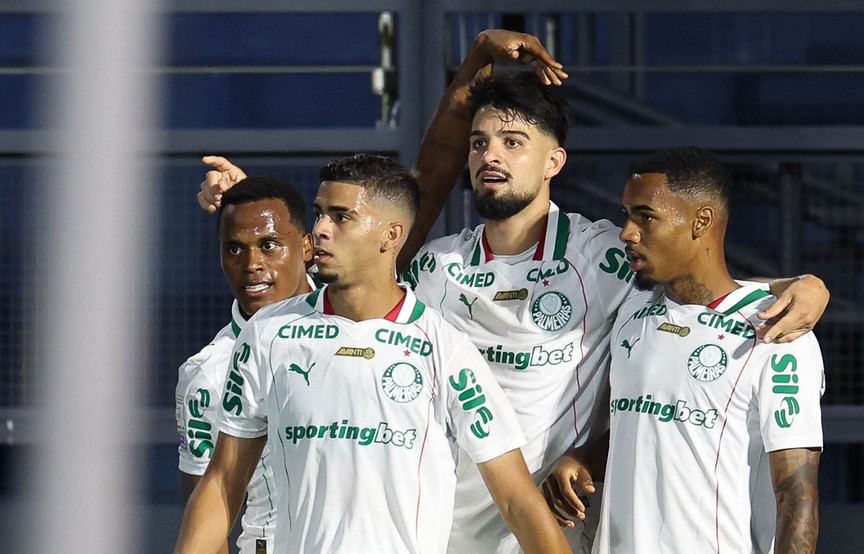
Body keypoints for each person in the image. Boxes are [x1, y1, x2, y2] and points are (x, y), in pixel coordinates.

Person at [195, 30, 829, 553]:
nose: (489, 156)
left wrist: (800, 285)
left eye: (512, 142)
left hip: (549, 531)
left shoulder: (601, 255)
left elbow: (694, 279)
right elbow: (379, 225)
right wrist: (255, 207)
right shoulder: (437, 269)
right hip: (440, 533)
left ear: (554, 162)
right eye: (480, 143)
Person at [174, 154, 571, 554]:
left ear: (390, 235)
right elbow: (223, 483)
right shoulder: (267, 335)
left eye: (341, 217)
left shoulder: (444, 349)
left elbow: (517, 501)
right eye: (319, 214)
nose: (321, 231)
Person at [543, 147, 824, 553]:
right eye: (627, 215)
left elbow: (798, 498)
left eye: (646, 216)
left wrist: (807, 284)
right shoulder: (633, 309)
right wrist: (585, 457)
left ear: (701, 221)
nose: (627, 232)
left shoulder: (779, 335)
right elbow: (652, 429)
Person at [175, 176, 316, 553]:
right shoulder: (207, 374)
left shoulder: (358, 314)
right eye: (234, 249)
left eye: (268, 245)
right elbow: (207, 519)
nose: (251, 264)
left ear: (307, 247)